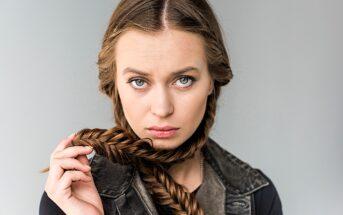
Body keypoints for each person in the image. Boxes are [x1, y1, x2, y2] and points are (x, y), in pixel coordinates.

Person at [39, 0, 283, 214]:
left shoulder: (256, 197)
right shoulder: (70, 195)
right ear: (114, 84)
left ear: (212, 80)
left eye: (183, 80)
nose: (162, 108)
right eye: (139, 82)